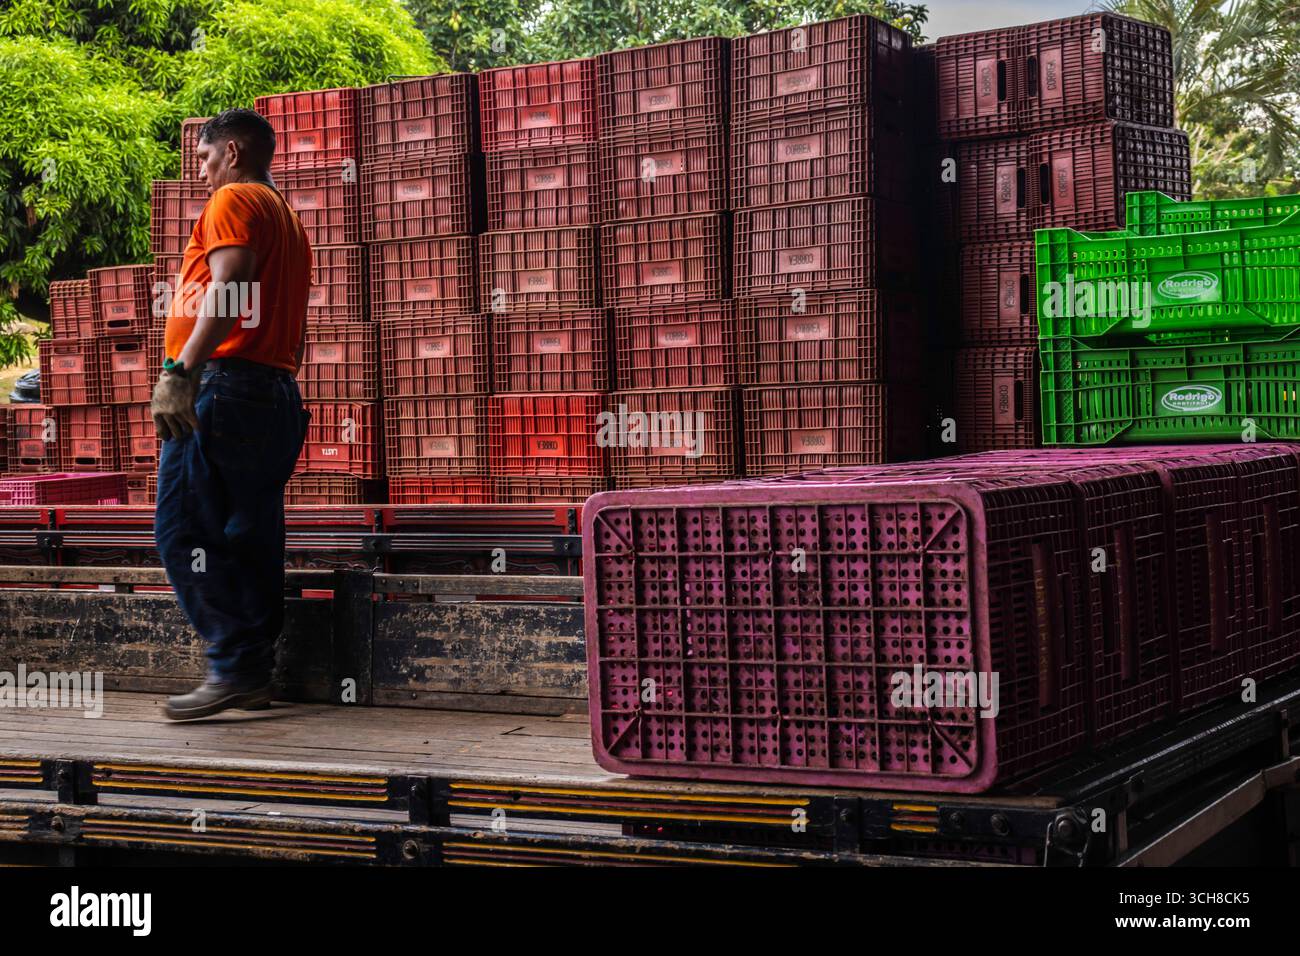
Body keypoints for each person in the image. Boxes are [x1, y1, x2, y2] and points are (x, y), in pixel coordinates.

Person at [152, 108, 312, 720]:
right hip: (270, 393)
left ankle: (234, 663)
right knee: (248, 535)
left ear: (234, 152)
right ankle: (251, 670)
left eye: (204, 157)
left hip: (224, 385)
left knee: (182, 530)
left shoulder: (235, 198)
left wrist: (180, 372)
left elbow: (231, 288)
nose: (202, 172)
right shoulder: (287, 217)